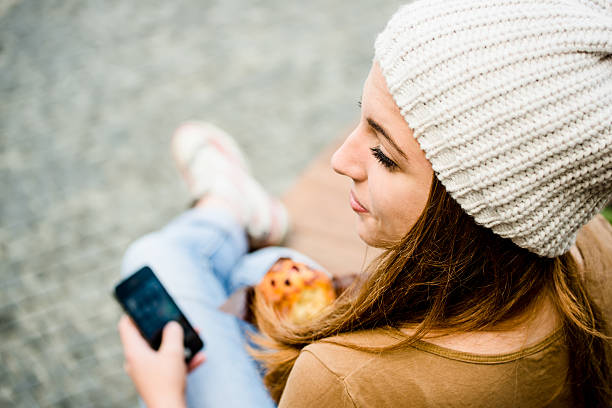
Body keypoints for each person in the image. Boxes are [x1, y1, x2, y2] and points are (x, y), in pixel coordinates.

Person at [117, 0, 612, 407]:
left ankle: (222, 209)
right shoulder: (588, 248)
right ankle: (231, 212)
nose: (341, 159)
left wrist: (164, 397)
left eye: (383, 153)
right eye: (361, 119)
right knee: (264, 269)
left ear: (473, 212)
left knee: (155, 259)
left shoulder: (344, 383)